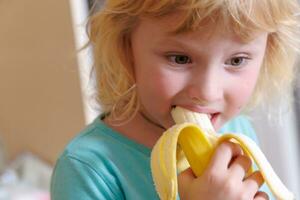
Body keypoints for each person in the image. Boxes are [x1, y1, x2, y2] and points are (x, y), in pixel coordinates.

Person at [51, 0, 300, 199]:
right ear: (126, 48)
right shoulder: (87, 169)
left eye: (236, 61)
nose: (207, 92)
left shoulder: (237, 132)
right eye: (180, 59)